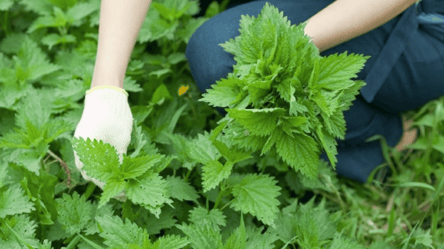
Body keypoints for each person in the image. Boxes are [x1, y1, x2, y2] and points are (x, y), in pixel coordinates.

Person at [73, 0, 444, 202]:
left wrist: (279, 53)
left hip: (415, 17)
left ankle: (384, 138)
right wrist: (106, 89)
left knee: (222, 58)